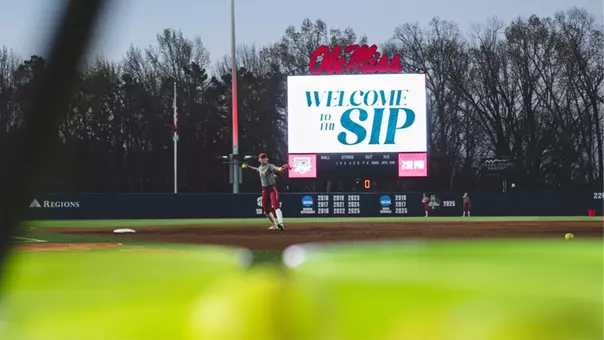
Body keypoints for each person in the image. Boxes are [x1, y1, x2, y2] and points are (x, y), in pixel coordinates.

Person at [242, 153, 289, 231]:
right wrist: (248, 166)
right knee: (265, 208)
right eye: (262, 158)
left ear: (267, 159)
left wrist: (282, 167)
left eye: (265, 157)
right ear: (259, 160)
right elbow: (256, 169)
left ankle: (281, 224)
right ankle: (274, 225)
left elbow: (278, 169)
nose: (264, 159)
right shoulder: (260, 168)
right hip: (264, 190)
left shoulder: (270, 166)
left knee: (275, 205)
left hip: (272, 188)